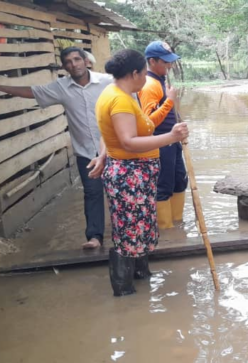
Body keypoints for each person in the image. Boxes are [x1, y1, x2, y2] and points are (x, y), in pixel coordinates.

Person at [95, 49, 189, 297]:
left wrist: (104, 154)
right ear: (135, 73)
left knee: (139, 227)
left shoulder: (117, 93)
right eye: (143, 75)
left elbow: (110, 135)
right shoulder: (120, 100)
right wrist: (170, 137)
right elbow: (127, 141)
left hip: (136, 172)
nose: (145, 80)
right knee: (128, 231)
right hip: (130, 174)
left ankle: (140, 275)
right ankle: (124, 290)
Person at [0, 47, 111, 250]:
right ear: (64, 66)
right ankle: (95, 237)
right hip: (86, 152)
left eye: (77, 59)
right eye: (68, 61)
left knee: (118, 192)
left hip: (113, 150)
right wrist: (0, 86)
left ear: (86, 61)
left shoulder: (107, 82)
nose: (73, 64)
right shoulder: (61, 87)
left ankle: (124, 233)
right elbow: (32, 92)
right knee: (92, 194)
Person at [138, 41, 187, 230]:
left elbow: (168, 111)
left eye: (170, 61)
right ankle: (166, 229)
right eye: (166, 62)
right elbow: (148, 123)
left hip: (172, 140)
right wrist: (169, 101)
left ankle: (177, 223)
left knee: (179, 180)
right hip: (160, 142)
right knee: (163, 185)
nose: (170, 65)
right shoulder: (150, 85)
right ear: (152, 61)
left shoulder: (160, 80)